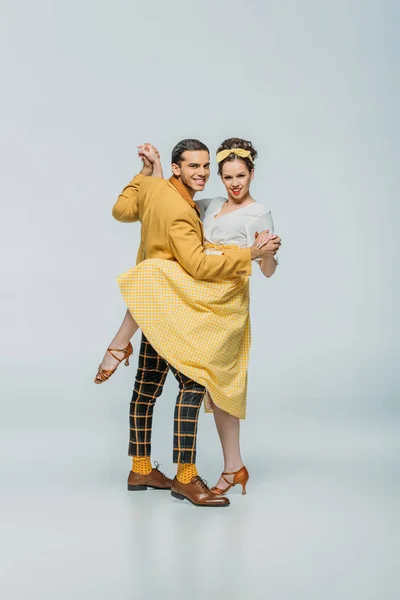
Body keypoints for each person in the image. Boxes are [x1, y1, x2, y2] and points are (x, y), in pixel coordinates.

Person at [98, 139, 279, 508]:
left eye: (235, 174)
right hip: (182, 298)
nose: (229, 181)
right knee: (169, 382)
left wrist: (262, 256)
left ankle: (219, 467)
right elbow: (183, 236)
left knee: (195, 383)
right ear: (180, 168)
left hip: (209, 303)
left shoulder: (258, 213)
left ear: (251, 174)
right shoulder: (202, 204)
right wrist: (155, 174)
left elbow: (269, 269)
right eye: (224, 174)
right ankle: (160, 472)